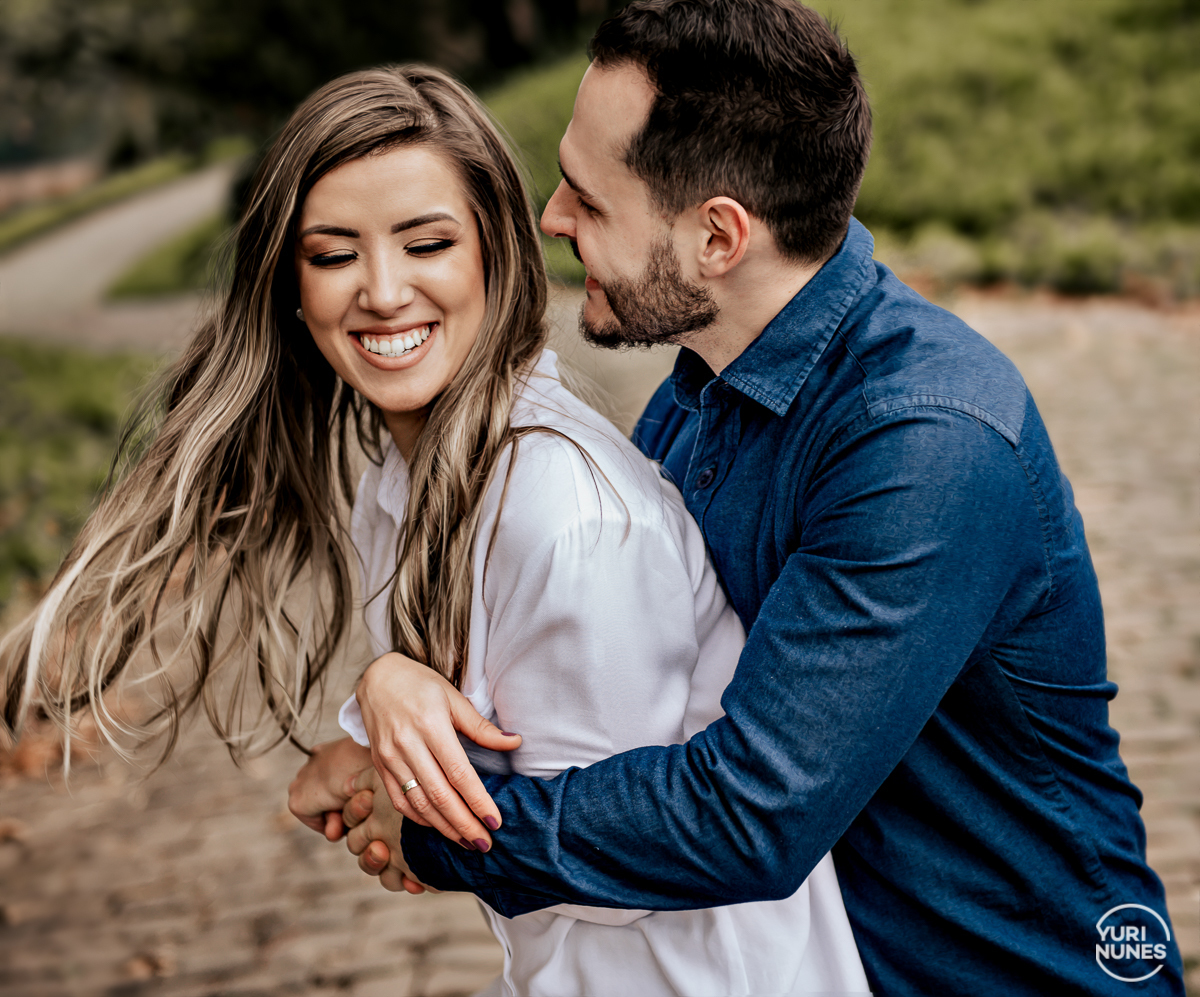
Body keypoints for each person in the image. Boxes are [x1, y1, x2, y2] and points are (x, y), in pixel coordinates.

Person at [330, 3, 1185, 995]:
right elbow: (595, 680)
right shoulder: (698, 393)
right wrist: (392, 684)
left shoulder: (923, 441)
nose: (552, 218)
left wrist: (440, 834)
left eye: (590, 201)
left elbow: (750, 811)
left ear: (719, 237)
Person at [1, 64, 869, 996]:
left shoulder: (568, 518)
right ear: (291, 286)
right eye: (333, 255)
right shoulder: (403, 480)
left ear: (495, 253)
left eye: (427, 244)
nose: (382, 291)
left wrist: (391, 793)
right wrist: (384, 713)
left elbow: (619, 866)